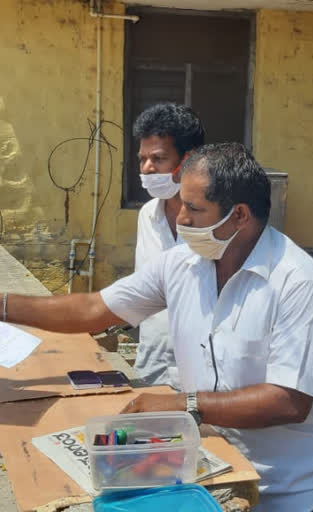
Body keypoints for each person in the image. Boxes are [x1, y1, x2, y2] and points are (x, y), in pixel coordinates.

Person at [0, 143, 313, 512]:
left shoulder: (299, 285)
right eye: (180, 204)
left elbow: (288, 400)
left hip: (292, 489)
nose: (181, 218)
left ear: (239, 214)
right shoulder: (183, 263)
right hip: (215, 469)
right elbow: (95, 308)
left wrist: (183, 404)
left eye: (194, 209)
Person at [132, 103, 204, 388]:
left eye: (158, 158)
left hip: (203, 373)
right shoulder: (147, 215)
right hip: (153, 364)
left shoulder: (219, 221)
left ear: (189, 159)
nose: (148, 168)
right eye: (142, 158)